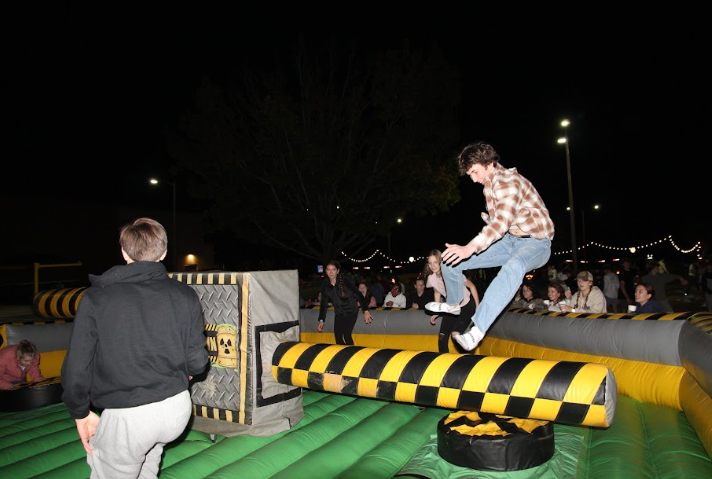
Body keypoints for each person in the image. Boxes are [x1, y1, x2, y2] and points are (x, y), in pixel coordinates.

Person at [61, 217, 210, 478]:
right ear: (163, 252)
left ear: (124, 251)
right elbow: (198, 361)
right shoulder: (184, 294)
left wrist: (80, 412)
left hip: (130, 418)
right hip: (177, 409)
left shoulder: (97, 298)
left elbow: (77, 364)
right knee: (148, 467)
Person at [425, 141, 554, 351]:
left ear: (489, 163)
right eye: (470, 175)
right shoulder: (489, 185)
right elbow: (503, 222)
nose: (474, 179)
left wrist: (470, 247)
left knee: (512, 267)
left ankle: (477, 329)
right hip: (510, 241)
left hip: (536, 243)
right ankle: (454, 304)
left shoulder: (509, 182)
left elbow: (500, 224)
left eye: (475, 172)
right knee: (451, 259)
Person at [424, 249, 480, 353]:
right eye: (430, 263)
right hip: (451, 308)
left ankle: (466, 363)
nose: (433, 266)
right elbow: (437, 292)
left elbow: (472, 286)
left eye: (435, 262)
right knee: (442, 337)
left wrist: (477, 306)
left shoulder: (452, 274)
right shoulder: (431, 278)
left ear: (441, 262)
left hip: (466, 306)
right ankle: (444, 364)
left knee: (455, 336)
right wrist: (437, 312)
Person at [318, 260, 374, 344]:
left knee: (347, 335)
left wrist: (366, 311)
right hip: (339, 313)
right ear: (326, 271)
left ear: (337, 271)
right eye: (328, 270)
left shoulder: (345, 281)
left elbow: (358, 294)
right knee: (338, 337)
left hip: (351, 311)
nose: (331, 272)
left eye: (333, 269)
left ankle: (352, 354)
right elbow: (324, 303)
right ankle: (344, 356)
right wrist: (321, 320)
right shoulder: (325, 285)